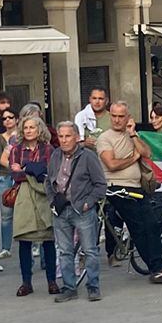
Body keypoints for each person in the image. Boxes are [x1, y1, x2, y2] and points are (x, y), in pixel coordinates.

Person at [95, 101, 162, 285]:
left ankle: (155, 263)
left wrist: (132, 134)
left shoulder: (132, 135)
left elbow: (147, 153)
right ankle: (157, 269)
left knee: (153, 225)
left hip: (137, 188)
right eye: (113, 116)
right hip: (118, 189)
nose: (116, 120)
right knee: (140, 226)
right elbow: (112, 164)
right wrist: (133, 158)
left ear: (128, 118)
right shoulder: (105, 138)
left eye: (121, 116)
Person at [48, 121, 107, 301]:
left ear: (76, 137)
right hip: (60, 210)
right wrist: (52, 201)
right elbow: (48, 180)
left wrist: (88, 203)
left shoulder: (88, 156)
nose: (64, 140)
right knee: (64, 251)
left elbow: (100, 184)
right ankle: (69, 288)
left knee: (89, 250)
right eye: (61, 136)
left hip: (82, 210)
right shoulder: (55, 155)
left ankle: (93, 286)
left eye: (68, 136)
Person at [4, 114, 61, 296]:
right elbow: (15, 175)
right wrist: (33, 170)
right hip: (24, 195)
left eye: (32, 127)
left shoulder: (48, 149)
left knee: (48, 239)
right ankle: (26, 282)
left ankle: (52, 281)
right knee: (25, 240)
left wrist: (25, 167)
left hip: (44, 195)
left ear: (39, 129)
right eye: (26, 127)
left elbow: (50, 173)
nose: (28, 131)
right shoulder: (16, 149)